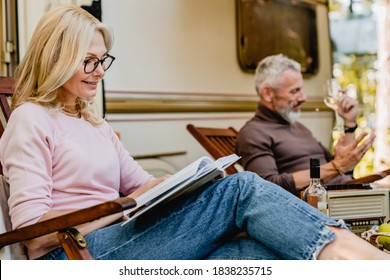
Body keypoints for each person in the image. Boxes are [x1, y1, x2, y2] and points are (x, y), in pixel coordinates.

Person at [0, 4, 388, 261]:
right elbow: (34, 235)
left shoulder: (94, 124)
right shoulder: (31, 119)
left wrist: (180, 185)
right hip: (76, 255)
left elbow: (143, 184)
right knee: (241, 188)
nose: (100, 71)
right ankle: (368, 260)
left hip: (122, 237)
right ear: (55, 58)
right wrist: (129, 203)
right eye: (88, 61)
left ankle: (352, 258)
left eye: (103, 60)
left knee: (255, 250)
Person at [235, 54, 376, 197]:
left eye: (301, 89)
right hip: (320, 208)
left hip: (347, 193)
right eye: (295, 91)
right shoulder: (253, 133)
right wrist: (336, 166)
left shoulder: (299, 127)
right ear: (268, 93)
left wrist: (349, 124)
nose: (303, 98)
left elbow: (343, 168)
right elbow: (267, 187)